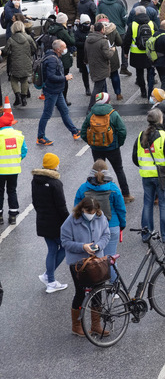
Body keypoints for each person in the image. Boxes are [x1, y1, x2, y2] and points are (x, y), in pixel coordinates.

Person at [61, 194, 109, 336]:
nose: (91, 215)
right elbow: (65, 242)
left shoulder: (101, 217)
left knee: (98, 291)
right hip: (78, 264)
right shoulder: (71, 221)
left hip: (96, 261)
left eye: (93, 212)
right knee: (80, 292)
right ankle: (76, 326)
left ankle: (96, 325)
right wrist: (83, 247)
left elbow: (106, 235)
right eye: (89, 213)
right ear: (82, 210)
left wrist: (98, 246)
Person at [134, 107, 165, 243]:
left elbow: (135, 158)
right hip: (162, 176)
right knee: (164, 205)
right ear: (160, 119)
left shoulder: (141, 135)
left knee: (147, 204)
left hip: (146, 175)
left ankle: (146, 234)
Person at [80, 90, 131, 202]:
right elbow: (122, 131)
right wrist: (118, 143)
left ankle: (99, 194)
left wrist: (91, 143)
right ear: (107, 101)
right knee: (119, 170)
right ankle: (126, 195)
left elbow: (83, 131)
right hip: (112, 148)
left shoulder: (91, 115)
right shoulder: (113, 114)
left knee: (99, 171)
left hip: (96, 148)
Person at [32, 152, 70, 293]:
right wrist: (68, 221)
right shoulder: (55, 183)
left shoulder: (35, 180)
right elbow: (61, 206)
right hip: (56, 223)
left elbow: (35, 202)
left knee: (52, 249)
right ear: (54, 166)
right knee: (66, 247)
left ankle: (50, 278)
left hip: (42, 220)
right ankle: (50, 279)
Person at [0, 105, 27, 223]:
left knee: (0, 191)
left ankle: (0, 217)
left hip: (0, 170)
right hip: (14, 169)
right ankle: (12, 215)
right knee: (12, 191)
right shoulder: (19, 135)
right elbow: (24, 151)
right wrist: (16, 160)